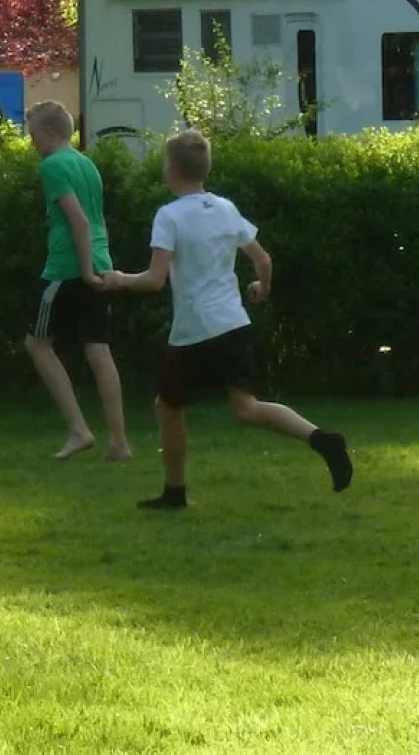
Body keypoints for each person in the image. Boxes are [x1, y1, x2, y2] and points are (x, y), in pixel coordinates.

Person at [103, 129, 352, 509]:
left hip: (194, 331)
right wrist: (262, 287)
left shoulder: (169, 216)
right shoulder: (224, 208)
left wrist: (120, 280)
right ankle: (322, 439)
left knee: (167, 407)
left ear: (172, 170)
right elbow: (262, 259)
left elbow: (154, 280)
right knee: (247, 407)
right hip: (234, 323)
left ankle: (175, 493)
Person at [24, 100, 132, 460]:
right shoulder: (86, 163)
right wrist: (95, 267)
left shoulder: (52, 166)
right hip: (101, 260)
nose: (30, 141)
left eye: (33, 133)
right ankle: (118, 442)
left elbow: (79, 221)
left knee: (37, 344)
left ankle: (78, 429)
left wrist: (83, 271)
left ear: (49, 133)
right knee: (98, 349)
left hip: (66, 268)